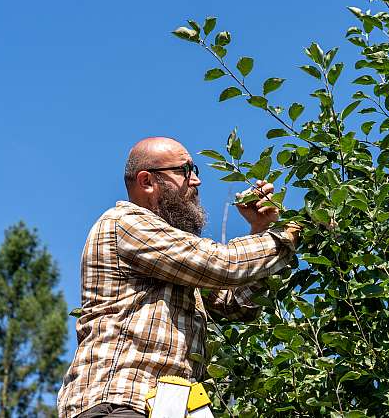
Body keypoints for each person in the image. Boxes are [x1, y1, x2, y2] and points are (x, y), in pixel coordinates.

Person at [57, 137, 300, 417]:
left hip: (166, 408)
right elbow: (223, 263)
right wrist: (292, 232)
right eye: (185, 171)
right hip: (120, 403)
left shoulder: (172, 260)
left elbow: (238, 306)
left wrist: (260, 229)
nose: (196, 181)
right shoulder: (123, 223)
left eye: (195, 170)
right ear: (147, 181)